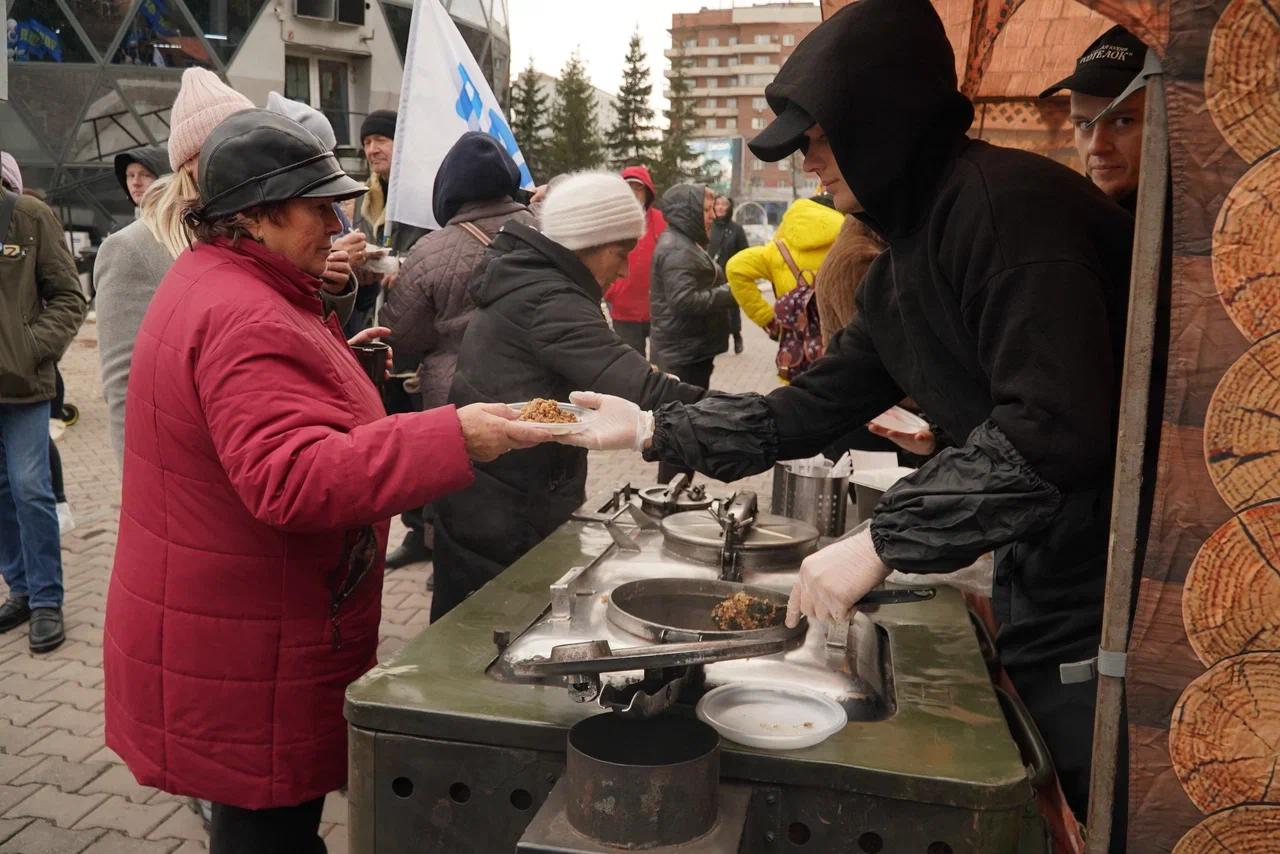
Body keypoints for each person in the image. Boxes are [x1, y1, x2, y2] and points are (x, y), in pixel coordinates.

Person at [552, 0, 1132, 832]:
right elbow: (810, 409)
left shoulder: (1008, 214)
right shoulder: (905, 263)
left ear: (881, 120)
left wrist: (882, 541)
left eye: (817, 140)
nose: (809, 164)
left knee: (1095, 798)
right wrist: (651, 429)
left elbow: (1052, 432)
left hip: (1113, 590)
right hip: (1044, 571)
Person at [102, 110, 547, 854]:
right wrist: (452, 434)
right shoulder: (246, 313)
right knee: (267, 828)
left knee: (263, 820)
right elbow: (289, 479)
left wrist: (347, 372)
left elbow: (264, 411)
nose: (337, 221)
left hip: (236, 619)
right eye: (318, 205)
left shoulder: (223, 280)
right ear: (255, 215)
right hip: (254, 635)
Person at [432, 172, 704, 620]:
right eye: (621, 253)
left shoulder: (534, 280)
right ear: (587, 243)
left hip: (495, 497)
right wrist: (760, 420)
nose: (624, 270)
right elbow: (648, 391)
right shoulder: (550, 300)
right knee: (491, 640)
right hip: (507, 512)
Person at [96, 74, 361, 466]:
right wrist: (145, 481)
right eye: (225, 144)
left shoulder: (255, 219)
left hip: (257, 440)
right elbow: (125, 387)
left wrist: (330, 288)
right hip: (193, 461)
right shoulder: (132, 248)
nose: (242, 156)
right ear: (191, 162)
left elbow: (274, 328)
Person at [380, 132, 536, 570]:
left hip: (457, 397)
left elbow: (399, 335)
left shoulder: (429, 251)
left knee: (462, 509)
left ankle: (452, 571)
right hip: (538, 390)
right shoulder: (547, 229)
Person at [0, 149, 88, 654]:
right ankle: (21, 591)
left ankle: (47, 601)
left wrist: (31, 348)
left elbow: (70, 298)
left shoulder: (28, 216)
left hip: (24, 386)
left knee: (30, 488)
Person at [726, 195, 844, 379]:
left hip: (799, 358)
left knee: (798, 401)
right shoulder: (847, 243)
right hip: (845, 351)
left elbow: (735, 268)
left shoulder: (777, 251)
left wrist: (767, 319)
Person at [1041, 25, 1148, 212]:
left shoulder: (1205, 232)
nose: (1096, 147)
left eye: (1123, 121)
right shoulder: (1065, 223)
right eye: (1084, 124)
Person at [346, 110, 428, 336]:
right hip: (373, 318)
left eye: (381, 140)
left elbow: (439, 252)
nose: (372, 149)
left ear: (401, 143)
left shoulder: (426, 195)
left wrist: (400, 265)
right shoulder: (363, 197)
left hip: (414, 320)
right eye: (367, 142)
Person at [648, 183, 734, 393]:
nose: (713, 215)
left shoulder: (685, 242)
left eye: (712, 209)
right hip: (682, 356)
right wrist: (730, 293)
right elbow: (683, 301)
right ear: (687, 212)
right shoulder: (677, 248)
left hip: (690, 351)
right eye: (706, 210)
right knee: (683, 412)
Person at [603, 165, 664, 358]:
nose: (634, 193)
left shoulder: (662, 221)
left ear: (647, 191)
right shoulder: (611, 223)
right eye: (628, 187)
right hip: (624, 309)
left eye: (638, 188)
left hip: (657, 310)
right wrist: (613, 293)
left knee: (663, 370)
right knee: (631, 368)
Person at [708, 195, 748, 355]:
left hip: (730, 276)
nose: (720, 207)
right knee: (712, 308)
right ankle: (715, 340)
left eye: (724, 204)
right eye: (717, 204)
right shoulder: (708, 227)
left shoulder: (736, 229)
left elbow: (745, 253)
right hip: (711, 276)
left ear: (729, 207)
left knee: (732, 309)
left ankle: (736, 336)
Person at [113, 145, 168, 209]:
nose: (135, 183)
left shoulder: (179, 217)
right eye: (131, 176)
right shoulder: (140, 218)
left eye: (145, 175)